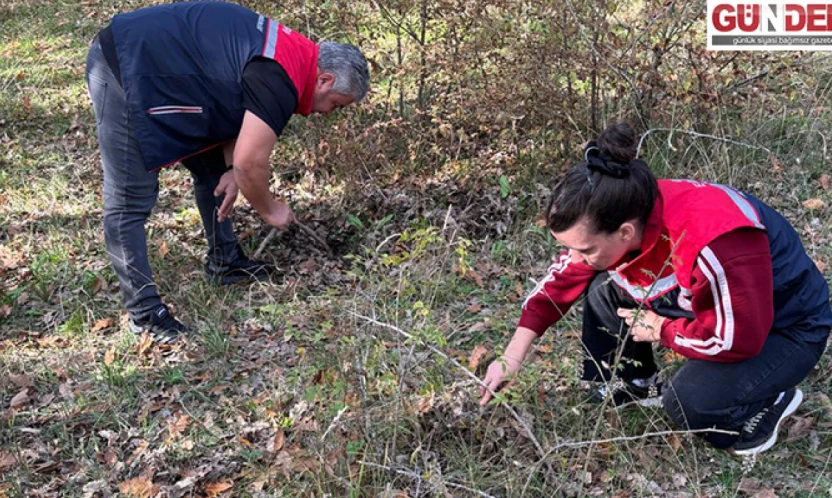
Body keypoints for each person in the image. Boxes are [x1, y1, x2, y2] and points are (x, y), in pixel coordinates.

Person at [478, 123, 831, 455]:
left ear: (626, 233)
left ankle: (767, 401)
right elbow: (558, 284)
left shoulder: (715, 241)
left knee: (687, 402)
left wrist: (663, 329)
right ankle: (636, 383)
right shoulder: (624, 205)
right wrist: (511, 358)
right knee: (604, 287)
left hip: (785, 328)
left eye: (583, 249)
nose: (574, 258)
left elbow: (735, 339)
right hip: (725, 307)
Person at [85, 2, 370, 343]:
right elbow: (251, 162)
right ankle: (144, 314)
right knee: (130, 201)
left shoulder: (293, 56)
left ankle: (224, 261)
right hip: (125, 64)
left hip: (170, 71)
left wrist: (235, 169)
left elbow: (234, 93)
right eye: (336, 104)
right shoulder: (282, 75)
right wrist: (269, 209)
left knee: (215, 173)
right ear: (324, 79)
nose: (329, 114)